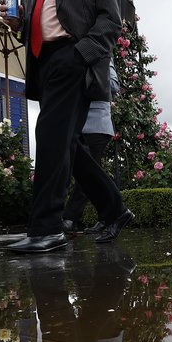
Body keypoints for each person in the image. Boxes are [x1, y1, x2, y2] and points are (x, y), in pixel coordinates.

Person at [0, 0, 132, 252]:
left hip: (73, 57)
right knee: (67, 145)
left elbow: (111, 18)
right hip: (42, 63)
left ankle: (46, 229)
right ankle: (114, 208)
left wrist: (80, 54)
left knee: (51, 140)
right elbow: (33, 22)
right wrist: (16, 23)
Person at [62, 61, 119, 234]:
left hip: (97, 125)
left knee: (86, 175)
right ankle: (109, 216)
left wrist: (86, 73)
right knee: (90, 173)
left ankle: (70, 218)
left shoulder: (103, 57)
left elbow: (114, 86)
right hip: (75, 122)